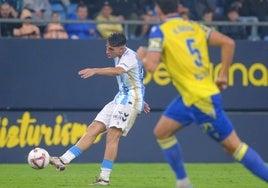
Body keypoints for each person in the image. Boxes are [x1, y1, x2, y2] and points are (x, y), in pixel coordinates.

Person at [137, 0, 268, 187]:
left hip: (201, 99)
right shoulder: (195, 27)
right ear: (179, 8)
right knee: (162, 132)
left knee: (233, 147)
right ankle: (183, 182)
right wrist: (223, 75)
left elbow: (151, 66)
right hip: (189, 97)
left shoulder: (160, 30)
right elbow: (228, 43)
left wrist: (141, 56)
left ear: (159, 10)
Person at [50, 32, 150, 186]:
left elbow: (118, 71)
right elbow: (137, 79)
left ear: (122, 49)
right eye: (106, 47)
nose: (107, 51)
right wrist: (142, 100)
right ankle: (63, 160)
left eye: (110, 49)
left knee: (112, 135)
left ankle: (104, 179)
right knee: (93, 128)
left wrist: (95, 70)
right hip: (121, 97)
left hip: (130, 99)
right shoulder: (119, 54)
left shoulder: (130, 57)